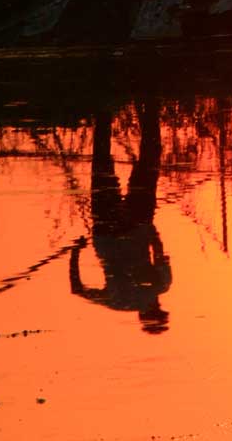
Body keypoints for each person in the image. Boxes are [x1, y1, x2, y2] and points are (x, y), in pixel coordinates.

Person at [69, 103, 172, 334]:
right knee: (102, 162)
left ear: (158, 310)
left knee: (149, 160)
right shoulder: (118, 302)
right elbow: (77, 289)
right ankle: (103, 108)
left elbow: (157, 246)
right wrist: (76, 250)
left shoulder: (161, 285)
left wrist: (148, 226)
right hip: (105, 231)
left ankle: (148, 105)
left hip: (138, 222)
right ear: (140, 317)